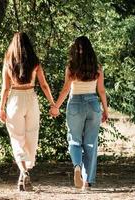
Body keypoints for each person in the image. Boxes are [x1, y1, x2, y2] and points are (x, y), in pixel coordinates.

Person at [50, 36, 109, 190]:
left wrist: (56, 106)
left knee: (74, 140)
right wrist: (105, 110)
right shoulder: (97, 67)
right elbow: (101, 90)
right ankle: (87, 182)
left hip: (75, 103)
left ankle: (77, 166)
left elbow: (65, 90)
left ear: (75, 50)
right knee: (91, 144)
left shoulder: (71, 67)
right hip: (93, 104)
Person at [0, 32, 55, 191]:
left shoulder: (8, 62)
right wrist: (53, 104)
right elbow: (44, 85)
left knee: (17, 139)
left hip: (15, 99)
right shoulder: (34, 62)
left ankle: (23, 172)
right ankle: (24, 172)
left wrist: (1, 108)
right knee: (31, 136)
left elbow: (5, 88)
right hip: (31, 98)